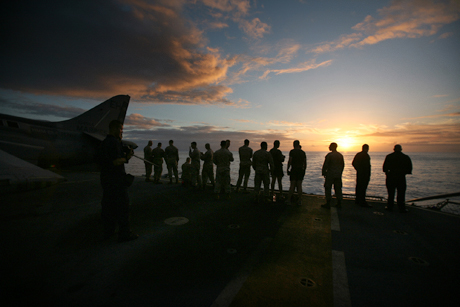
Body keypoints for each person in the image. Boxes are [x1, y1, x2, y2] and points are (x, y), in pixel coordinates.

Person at [99, 119, 138, 242]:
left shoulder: (105, 142)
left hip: (106, 180)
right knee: (123, 208)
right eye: (121, 129)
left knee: (108, 208)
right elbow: (115, 161)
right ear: (115, 129)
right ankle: (124, 234)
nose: (122, 132)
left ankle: (108, 232)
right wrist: (126, 157)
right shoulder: (114, 143)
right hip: (116, 181)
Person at [383, 144, 412, 213]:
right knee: (401, 194)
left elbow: (384, 168)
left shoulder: (389, 156)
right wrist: (403, 172)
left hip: (391, 177)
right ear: (401, 149)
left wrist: (388, 173)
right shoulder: (405, 157)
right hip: (401, 178)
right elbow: (409, 169)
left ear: (394, 149)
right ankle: (401, 208)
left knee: (391, 193)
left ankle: (390, 207)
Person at [321, 142, 344, 209]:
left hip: (330, 174)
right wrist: (340, 172)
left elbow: (326, 164)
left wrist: (324, 172)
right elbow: (342, 165)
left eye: (330, 146)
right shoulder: (340, 155)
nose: (329, 147)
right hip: (338, 174)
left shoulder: (329, 155)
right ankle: (339, 202)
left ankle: (328, 203)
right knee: (338, 189)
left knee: (328, 188)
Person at [286, 140, 307, 205]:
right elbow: (305, 163)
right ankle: (299, 200)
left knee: (292, 185)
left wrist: (287, 169)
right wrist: (304, 170)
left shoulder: (292, 152)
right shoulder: (303, 152)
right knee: (299, 185)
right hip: (300, 169)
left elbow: (290, 161)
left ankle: (289, 200)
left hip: (294, 169)